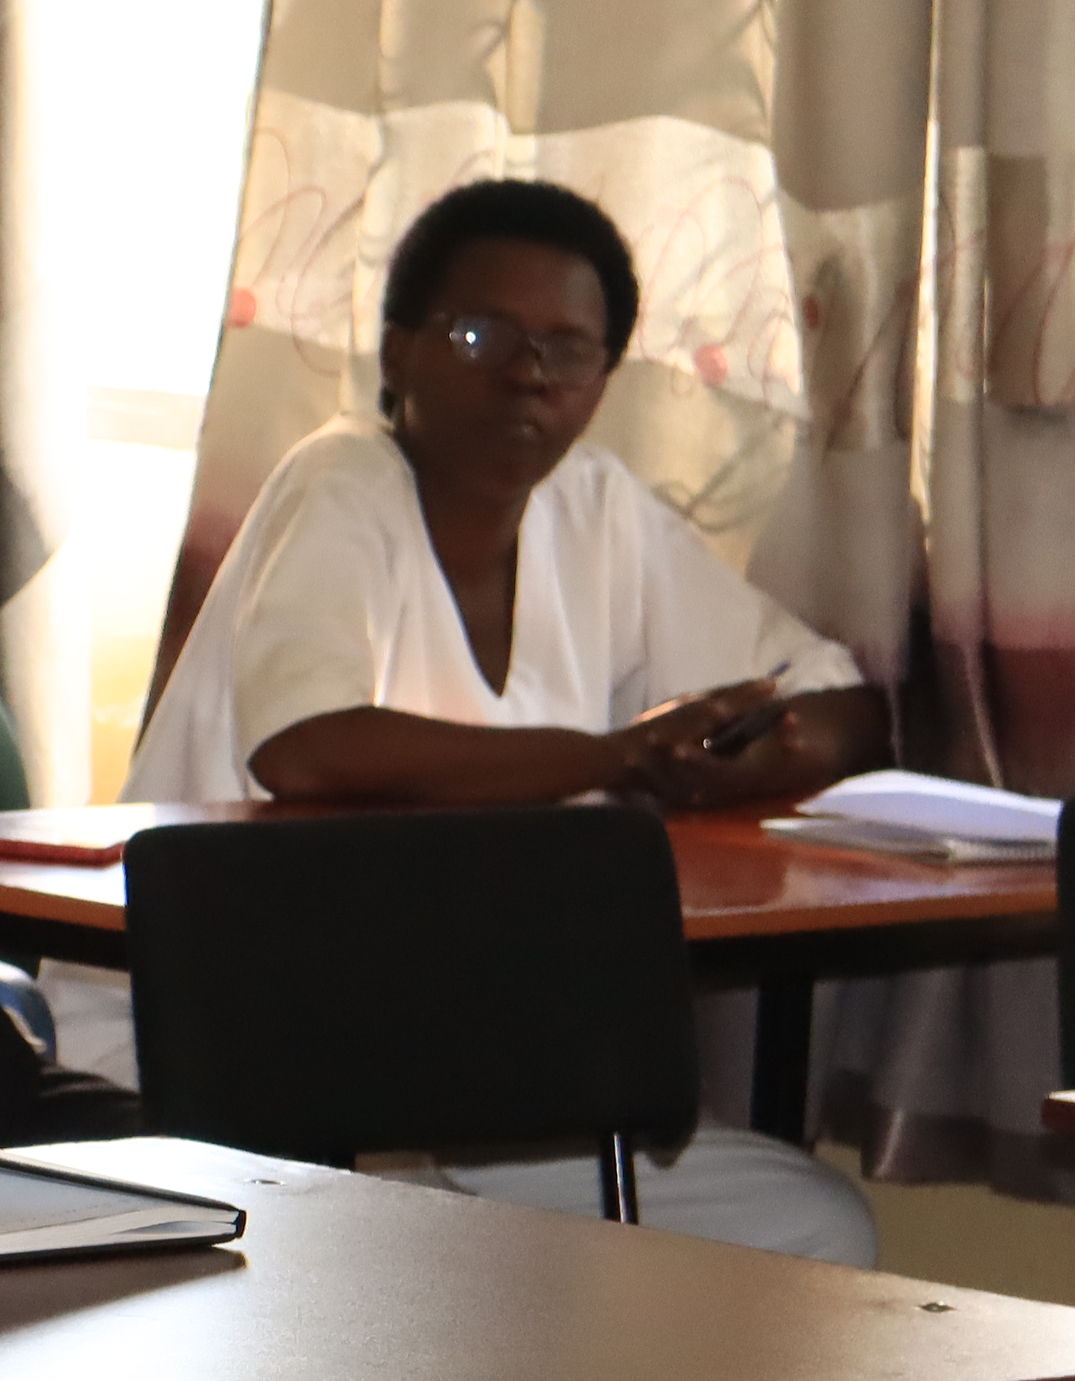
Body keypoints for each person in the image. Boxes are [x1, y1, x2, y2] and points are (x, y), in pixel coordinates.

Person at [125, 176, 883, 1262]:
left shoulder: (597, 510)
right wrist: (616, 756)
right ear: (398, 353)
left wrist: (754, 755)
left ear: (603, 381)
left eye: (567, 349)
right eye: (482, 334)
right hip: (226, 1050)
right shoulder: (342, 482)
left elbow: (840, 699)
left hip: (471, 1069)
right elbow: (310, 749)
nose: (527, 374)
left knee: (812, 1228)